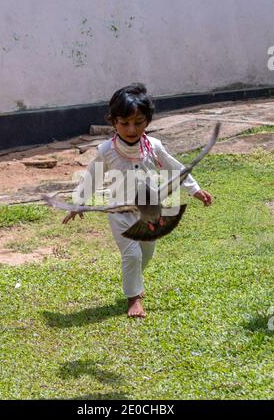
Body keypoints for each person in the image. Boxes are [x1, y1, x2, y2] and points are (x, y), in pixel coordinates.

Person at [63, 83, 213, 318]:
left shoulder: (154, 147)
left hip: (150, 212)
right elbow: (91, 177)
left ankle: (135, 279)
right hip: (120, 213)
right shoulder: (106, 150)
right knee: (132, 255)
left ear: (148, 121)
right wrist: (77, 202)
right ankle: (134, 297)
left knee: (146, 254)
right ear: (113, 121)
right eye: (124, 123)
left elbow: (177, 169)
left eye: (138, 122)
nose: (131, 129)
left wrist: (195, 189)